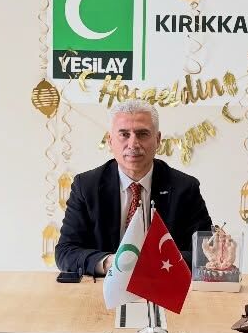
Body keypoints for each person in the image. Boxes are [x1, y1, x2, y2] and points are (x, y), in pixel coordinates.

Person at [57, 99, 213, 276]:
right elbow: (65, 252)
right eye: (124, 134)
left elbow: (204, 254)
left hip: (163, 284)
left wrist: (153, 263)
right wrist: (110, 263)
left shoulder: (185, 188)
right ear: (110, 140)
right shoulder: (86, 186)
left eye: (142, 134)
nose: (133, 144)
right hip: (104, 286)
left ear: (158, 140)